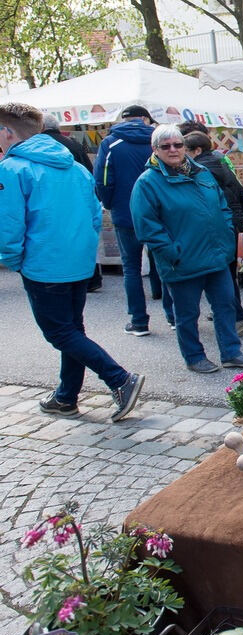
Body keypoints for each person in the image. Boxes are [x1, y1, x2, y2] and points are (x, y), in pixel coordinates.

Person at [0, 103, 144, 422]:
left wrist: (13, 259)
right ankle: (66, 397)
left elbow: (9, 224)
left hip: (43, 264)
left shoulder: (12, 169)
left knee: (61, 333)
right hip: (77, 262)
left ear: (7, 132)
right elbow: (95, 215)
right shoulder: (74, 167)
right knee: (72, 329)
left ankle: (119, 379)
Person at [130, 124, 243, 374]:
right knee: (187, 314)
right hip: (183, 260)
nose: (173, 150)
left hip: (216, 255)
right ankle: (194, 356)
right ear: (155, 150)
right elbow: (147, 227)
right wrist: (172, 252)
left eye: (178, 145)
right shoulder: (148, 183)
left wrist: (226, 237)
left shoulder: (201, 173)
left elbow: (221, 205)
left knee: (225, 305)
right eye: (166, 146)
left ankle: (231, 352)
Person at [92, 104, 170, 334]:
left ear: (123, 119)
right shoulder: (160, 140)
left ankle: (139, 321)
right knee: (164, 263)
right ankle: (174, 316)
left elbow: (103, 181)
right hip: (160, 213)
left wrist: (110, 204)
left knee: (131, 268)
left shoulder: (111, 143)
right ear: (146, 119)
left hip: (125, 213)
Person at [183, 130, 243, 333]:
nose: (182, 154)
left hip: (219, 227)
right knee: (229, 273)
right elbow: (240, 191)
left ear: (197, 150)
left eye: (185, 150)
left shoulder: (199, 170)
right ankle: (232, 314)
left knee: (221, 275)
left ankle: (237, 316)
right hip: (234, 222)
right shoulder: (221, 163)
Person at [41, 113, 102, 292]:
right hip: (81, 198)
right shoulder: (73, 143)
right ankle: (91, 278)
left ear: (41, 128)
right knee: (83, 237)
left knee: (62, 240)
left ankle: (67, 279)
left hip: (55, 201)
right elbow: (89, 172)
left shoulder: (41, 147)